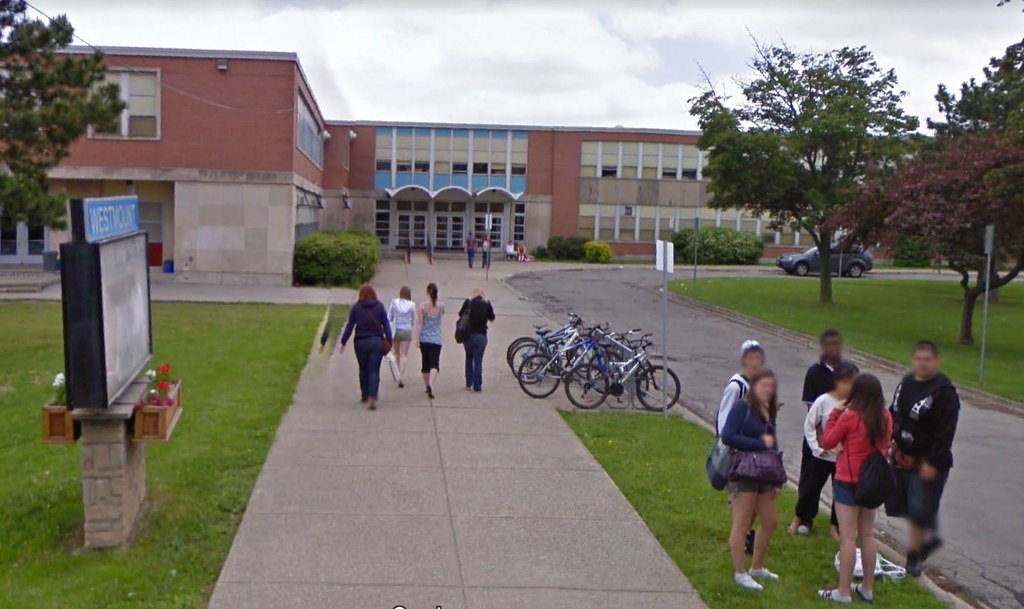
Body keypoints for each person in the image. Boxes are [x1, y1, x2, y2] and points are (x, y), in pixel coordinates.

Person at [818, 374, 893, 604]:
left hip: (848, 480)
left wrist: (835, 413)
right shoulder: (885, 416)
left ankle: (843, 591)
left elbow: (828, 441)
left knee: (848, 537)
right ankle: (867, 587)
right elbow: (886, 443)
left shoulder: (850, 416)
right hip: (872, 482)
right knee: (868, 534)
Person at [889, 340, 960, 578]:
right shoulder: (907, 383)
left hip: (928, 462)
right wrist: (893, 442)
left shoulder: (945, 392)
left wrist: (930, 462)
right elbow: (894, 413)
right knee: (905, 507)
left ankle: (914, 558)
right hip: (902, 455)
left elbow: (945, 432)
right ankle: (928, 539)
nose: (923, 363)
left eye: (928, 359)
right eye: (919, 358)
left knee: (920, 509)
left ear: (936, 361)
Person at [720, 368, 783, 592]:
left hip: (766, 472)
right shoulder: (742, 407)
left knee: (770, 522)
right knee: (743, 523)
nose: (767, 390)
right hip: (744, 471)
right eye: (763, 385)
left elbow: (773, 443)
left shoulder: (768, 410)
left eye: (770, 386)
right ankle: (740, 572)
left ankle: (757, 567)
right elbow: (727, 436)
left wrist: (778, 480)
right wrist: (759, 444)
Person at [790, 364, 858, 537]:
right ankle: (801, 518)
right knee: (810, 488)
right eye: (848, 383)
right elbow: (810, 425)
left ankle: (836, 525)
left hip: (842, 459)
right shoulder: (823, 401)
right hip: (822, 455)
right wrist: (816, 448)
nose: (851, 387)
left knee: (841, 493)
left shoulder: (855, 405)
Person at [800, 331, 857, 526]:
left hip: (842, 446)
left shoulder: (850, 370)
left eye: (836, 344)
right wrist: (821, 438)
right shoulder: (815, 372)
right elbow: (812, 411)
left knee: (841, 484)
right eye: (829, 344)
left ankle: (837, 523)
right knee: (810, 483)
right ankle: (805, 518)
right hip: (819, 438)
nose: (833, 348)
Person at [717, 339, 765, 556]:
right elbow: (724, 421)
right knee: (742, 502)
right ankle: (742, 537)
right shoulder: (737, 386)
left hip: (754, 455)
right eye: (751, 358)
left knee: (754, 501)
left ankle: (746, 533)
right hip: (739, 454)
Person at [339, 283, 392, 411]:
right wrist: (389, 341)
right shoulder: (379, 307)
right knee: (374, 370)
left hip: (360, 343)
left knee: (363, 369)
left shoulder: (356, 308)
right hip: (376, 342)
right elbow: (386, 325)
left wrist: (343, 341)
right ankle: (373, 396)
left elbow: (350, 326)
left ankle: (364, 394)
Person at [459, 288, 495, 393]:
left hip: (468, 335)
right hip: (481, 336)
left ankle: (468, 383)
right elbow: (492, 318)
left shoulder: (468, 302)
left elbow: (460, 314)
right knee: (478, 361)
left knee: (469, 358)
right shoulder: (487, 304)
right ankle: (477, 386)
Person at [413, 282, 444, 400]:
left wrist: (417, 339)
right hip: (436, 339)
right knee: (434, 364)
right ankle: (431, 383)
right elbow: (441, 316)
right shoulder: (441, 306)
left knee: (425, 364)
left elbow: (419, 323)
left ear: (427, 292)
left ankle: (427, 386)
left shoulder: (422, 306)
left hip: (424, 339)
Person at [387, 286, 417, 388]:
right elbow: (413, 318)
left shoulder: (394, 303)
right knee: (404, 355)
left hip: (396, 330)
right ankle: (400, 375)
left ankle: (397, 372)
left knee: (396, 353)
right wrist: (410, 324)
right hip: (406, 330)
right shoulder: (412, 305)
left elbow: (389, 316)